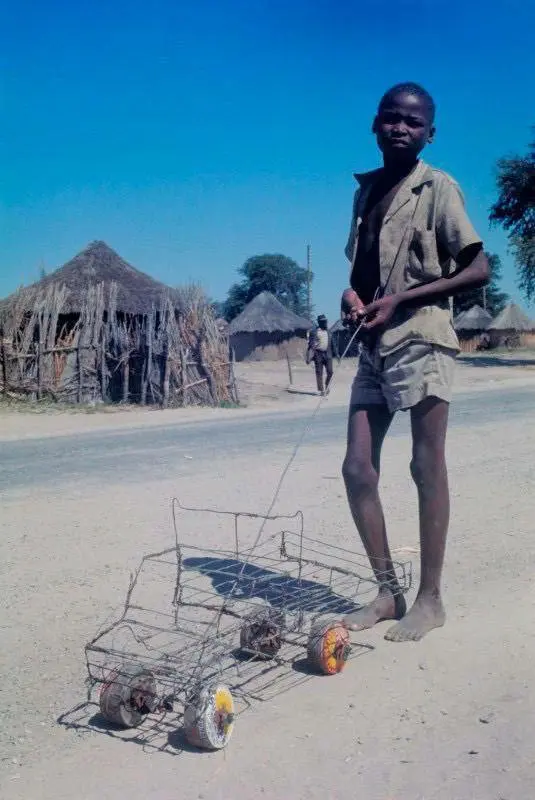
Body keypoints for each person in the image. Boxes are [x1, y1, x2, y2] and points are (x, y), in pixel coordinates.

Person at [340, 82, 489, 642]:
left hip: (424, 336)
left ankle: (430, 599)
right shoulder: (365, 193)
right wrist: (352, 298)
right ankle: (387, 592)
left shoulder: (438, 187)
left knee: (426, 465)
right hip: (375, 344)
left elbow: (478, 269)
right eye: (391, 118)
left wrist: (405, 297)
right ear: (374, 124)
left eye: (413, 121)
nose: (400, 127)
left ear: (430, 132)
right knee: (357, 468)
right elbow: (360, 276)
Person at [306, 314, 334, 395]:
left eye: (325, 321)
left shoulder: (329, 331)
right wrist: (309, 357)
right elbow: (310, 345)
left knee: (330, 372)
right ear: (319, 322)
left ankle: (327, 385)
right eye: (323, 321)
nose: (325, 323)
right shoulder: (314, 332)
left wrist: (337, 354)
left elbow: (333, 343)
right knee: (319, 372)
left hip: (328, 354)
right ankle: (321, 390)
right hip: (318, 354)